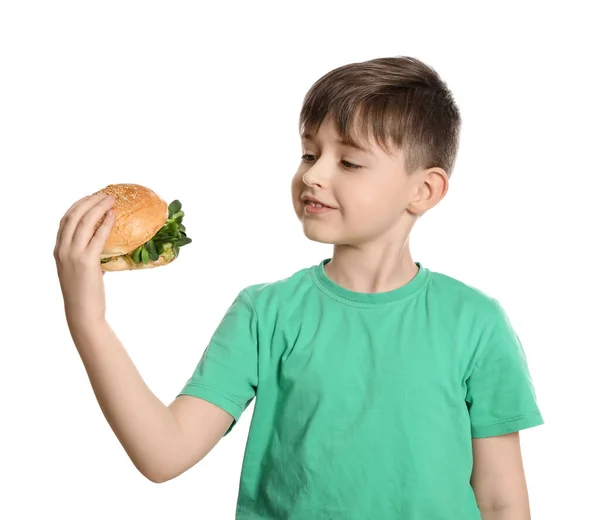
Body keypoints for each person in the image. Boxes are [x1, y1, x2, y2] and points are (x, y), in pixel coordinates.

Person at [54, 55, 543, 520]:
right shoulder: (264, 313)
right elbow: (163, 454)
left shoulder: (475, 322)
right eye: (309, 153)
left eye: (349, 162)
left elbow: (501, 502)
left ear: (424, 190)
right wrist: (88, 321)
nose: (313, 174)